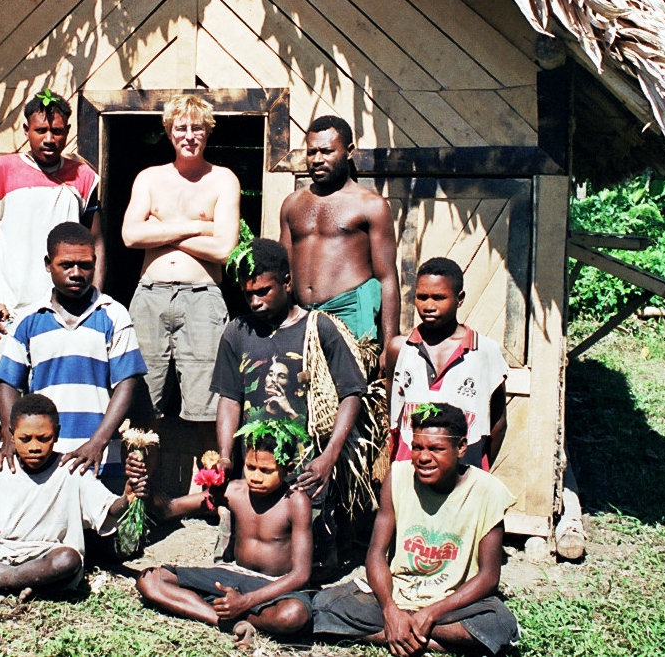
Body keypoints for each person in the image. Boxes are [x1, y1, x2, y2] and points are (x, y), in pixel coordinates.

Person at [312, 403, 519, 655]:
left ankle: (394, 634)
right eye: (417, 447)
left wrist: (431, 613)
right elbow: (376, 555)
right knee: (324, 605)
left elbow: (488, 577)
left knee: (499, 624)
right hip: (399, 595)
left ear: (461, 447)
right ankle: (420, 637)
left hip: (451, 605)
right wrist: (389, 609)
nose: (423, 457)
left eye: (436, 449)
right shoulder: (398, 476)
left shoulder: (489, 491)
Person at [210, 238, 366, 569]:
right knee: (254, 558)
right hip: (257, 468)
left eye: (263, 291)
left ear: (287, 282)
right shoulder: (237, 333)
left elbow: (351, 393)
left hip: (306, 468)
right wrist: (225, 457)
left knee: (311, 564)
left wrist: (329, 456)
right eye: (248, 294)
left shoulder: (318, 328)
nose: (254, 302)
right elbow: (229, 399)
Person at [0, 91, 103, 474]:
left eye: (58, 131)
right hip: (13, 310)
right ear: (26, 129)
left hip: (64, 313)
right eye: (41, 130)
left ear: (68, 133)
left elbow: (96, 242)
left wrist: (96, 298)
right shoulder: (3, 171)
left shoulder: (83, 176)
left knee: (49, 412)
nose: (50, 138)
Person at [0, 393, 138, 595]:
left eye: (44, 438)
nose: (34, 447)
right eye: (25, 438)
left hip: (41, 555)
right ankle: (21, 581)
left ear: (57, 434)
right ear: (11, 436)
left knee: (67, 560)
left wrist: (126, 497)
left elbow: (109, 508)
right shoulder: (3, 468)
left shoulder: (71, 470)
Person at [122, 94, 240, 434]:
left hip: (202, 296)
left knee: (207, 403)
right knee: (141, 398)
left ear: (208, 132)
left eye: (197, 128)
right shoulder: (149, 178)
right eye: (181, 127)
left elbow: (222, 250)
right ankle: (140, 486)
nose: (189, 135)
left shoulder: (223, 179)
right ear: (169, 132)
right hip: (150, 296)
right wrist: (195, 226)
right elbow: (130, 236)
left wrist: (158, 229)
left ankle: (205, 486)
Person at [0, 222, 146, 483]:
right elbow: (8, 384)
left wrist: (98, 442)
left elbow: (126, 384)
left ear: (95, 263)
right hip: (43, 459)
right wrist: (11, 436)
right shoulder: (29, 319)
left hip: (99, 459)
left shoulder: (113, 314)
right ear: (47, 263)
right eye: (66, 265)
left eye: (85, 265)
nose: (77, 273)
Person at [136, 428, 313, 643]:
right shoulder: (234, 491)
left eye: (266, 471)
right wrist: (145, 484)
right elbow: (169, 509)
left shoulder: (296, 502)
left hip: (273, 586)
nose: (256, 477)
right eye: (250, 467)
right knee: (151, 580)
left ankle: (224, 609)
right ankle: (228, 621)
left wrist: (246, 601)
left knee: (293, 615)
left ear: (288, 469)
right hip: (233, 574)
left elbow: (301, 575)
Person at [279, 115, 399, 366]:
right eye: (311, 152)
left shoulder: (371, 205)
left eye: (327, 151)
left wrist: (389, 345)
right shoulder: (293, 204)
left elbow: (387, 278)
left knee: (350, 398)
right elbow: (283, 273)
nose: (317, 159)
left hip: (350, 321)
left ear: (348, 151)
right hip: (302, 320)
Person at [384, 257, 509, 472]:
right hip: (409, 469)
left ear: (459, 299)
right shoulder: (400, 349)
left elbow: (498, 424)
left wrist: (479, 471)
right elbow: (393, 414)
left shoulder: (485, 352)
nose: (429, 306)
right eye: (422, 297)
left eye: (439, 298)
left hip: (464, 470)